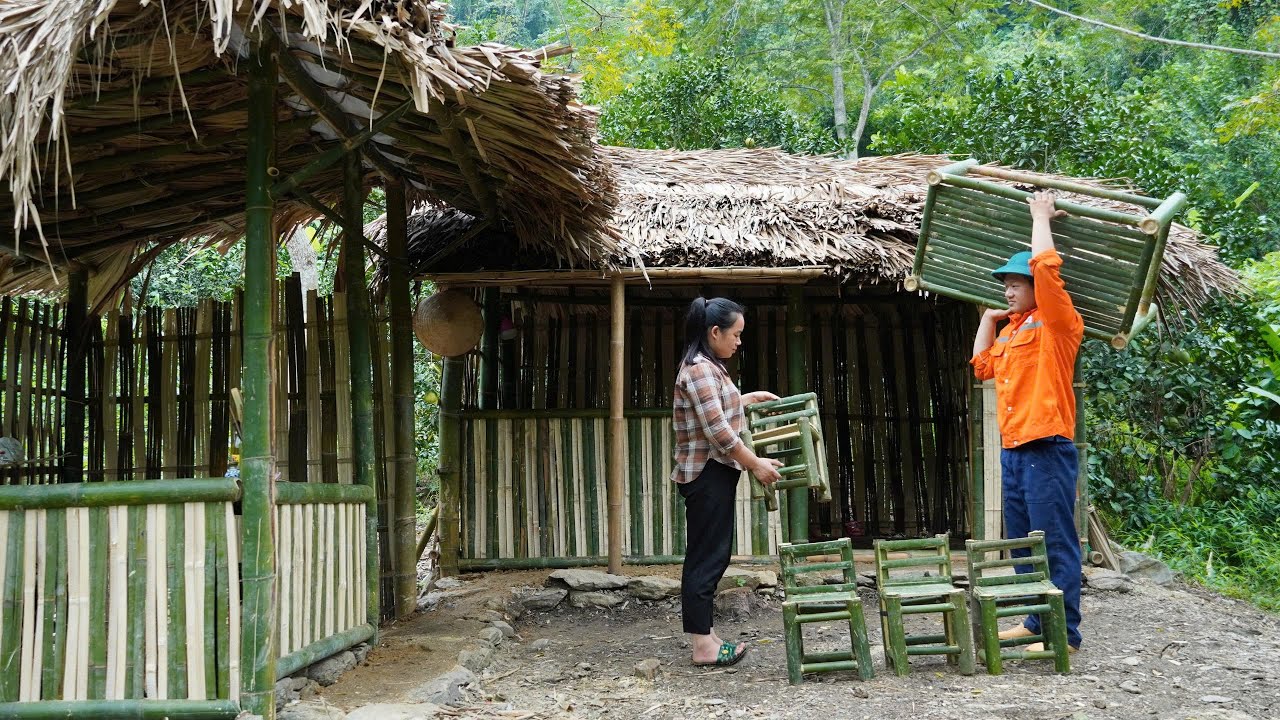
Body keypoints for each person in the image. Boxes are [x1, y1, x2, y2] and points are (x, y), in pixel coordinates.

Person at [971, 191, 1084, 652]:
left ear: (1037, 288)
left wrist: (1040, 217)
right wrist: (988, 320)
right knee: (1022, 543)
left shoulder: (1058, 323)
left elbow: (1046, 267)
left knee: (1053, 541)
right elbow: (981, 367)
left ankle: (1064, 633)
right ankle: (1037, 622)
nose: (1008, 291)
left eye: (1016, 284)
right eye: (1005, 285)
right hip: (1015, 450)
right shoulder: (1012, 330)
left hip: (1047, 447)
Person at [671, 297, 783, 667]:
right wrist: (756, 465)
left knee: (711, 554)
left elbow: (715, 410)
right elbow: (719, 432)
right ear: (715, 332)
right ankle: (703, 646)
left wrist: (745, 399)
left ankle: (706, 636)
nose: (738, 341)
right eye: (735, 334)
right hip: (707, 473)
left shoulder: (709, 368)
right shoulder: (699, 370)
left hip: (713, 473)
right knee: (706, 557)